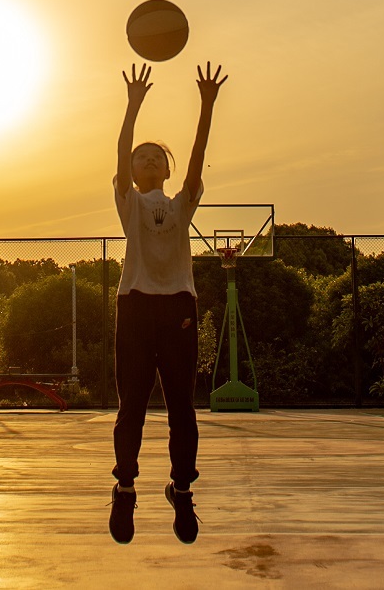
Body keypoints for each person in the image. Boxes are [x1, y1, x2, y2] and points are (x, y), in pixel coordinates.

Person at [108, 60, 224, 545]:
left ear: (168, 170)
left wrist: (207, 106)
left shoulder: (180, 205)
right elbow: (117, 154)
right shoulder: (129, 202)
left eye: (158, 157)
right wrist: (132, 107)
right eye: (143, 157)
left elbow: (198, 158)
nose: (151, 161)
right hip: (135, 305)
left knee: (183, 407)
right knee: (131, 404)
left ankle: (181, 490)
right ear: (132, 172)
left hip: (178, 304)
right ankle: (126, 487)